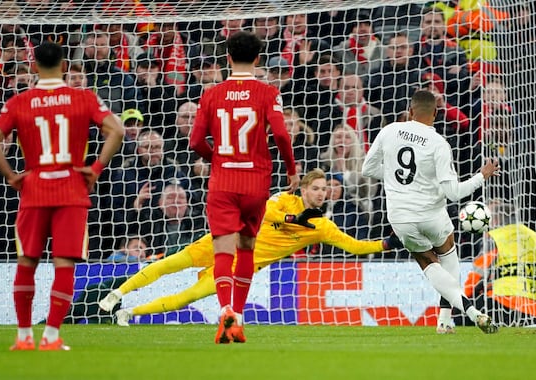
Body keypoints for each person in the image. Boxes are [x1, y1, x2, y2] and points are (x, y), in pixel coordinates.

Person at [98, 168, 403, 325]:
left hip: (240, 267)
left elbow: (355, 247)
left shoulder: (322, 227)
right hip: (224, 242)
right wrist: (294, 217)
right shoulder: (285, 199)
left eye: (325, 190)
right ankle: (117, 294)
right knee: (170, 263)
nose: (322, 193)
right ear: (305, 188)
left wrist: (387, 243)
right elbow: (267, 211)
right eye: (316, 188)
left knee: (187, 297)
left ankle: (129, 313)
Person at [0, 41, 124, 350]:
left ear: (34, 68)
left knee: (26, 262)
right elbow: (117, 130)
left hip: (33, 189)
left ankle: (22, 337)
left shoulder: (19, 102)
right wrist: (96, 167)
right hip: (71, 189)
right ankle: (51, 336)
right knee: (64, 264)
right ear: (63, 67)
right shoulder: (83, 98)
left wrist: (10, 176)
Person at [189, 31, 300, 344]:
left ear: (227, 57)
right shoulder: (268, 92)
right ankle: (237, 316)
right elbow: (280, 135)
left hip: (223, 183)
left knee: (222, 250)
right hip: (256, 182)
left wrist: (218, 160)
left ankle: (225, 309)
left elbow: (195, 141)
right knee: (247, 247)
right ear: (258, 59)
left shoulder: (211, 94)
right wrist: (291, 170)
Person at [361, 90, 500, 334]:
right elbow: (454, 193)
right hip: (432, 214)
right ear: (435, 113)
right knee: (448, 253)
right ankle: (450, 317)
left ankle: (456, 318)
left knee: (428, 262)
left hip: (401, 217)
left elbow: (367, 169)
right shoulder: (439, 144)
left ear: (410, 111)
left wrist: (397, 176)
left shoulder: (389, 130)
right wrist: (482, 176)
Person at [460, 200, 536, 327]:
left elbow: (478, 274)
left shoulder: (495, 236)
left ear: (496, 219)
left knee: (462, 310)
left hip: (504, 304)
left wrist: (464, 298)